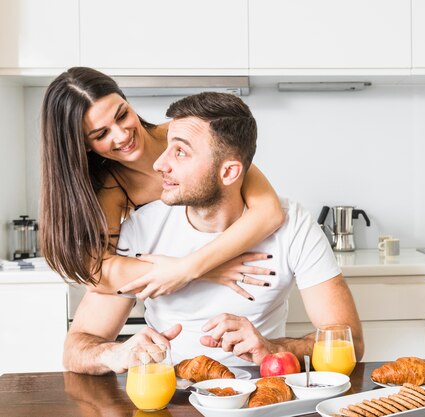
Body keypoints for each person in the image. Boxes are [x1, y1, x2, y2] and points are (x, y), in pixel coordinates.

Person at [64, 92, 363, 374]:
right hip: (169, 398)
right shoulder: (141, 229)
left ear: (229, 173)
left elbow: (351, 345)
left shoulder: (293, 225)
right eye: (167, 146)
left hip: (262, 398)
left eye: (180, 151)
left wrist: (271, 349)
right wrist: (115, 353)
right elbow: (75, 348)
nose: (158, 164)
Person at [40, 67, 285, 300]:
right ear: (82, 145)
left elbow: (269, 213)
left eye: (123, 115)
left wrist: (190, 268)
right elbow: (98, 272)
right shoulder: (110, 190)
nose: (122, 135)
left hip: (246, 269)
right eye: (101, 134)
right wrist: (199, 273)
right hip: (182, 296)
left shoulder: (190, 134)